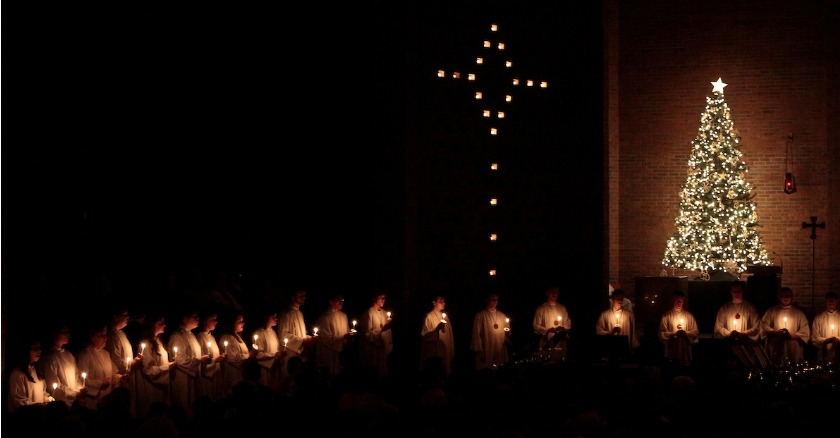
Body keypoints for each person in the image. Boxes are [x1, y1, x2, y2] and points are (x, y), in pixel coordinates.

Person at [167, 308, 210, 415]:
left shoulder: (190, 335)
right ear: (185, 319)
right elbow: (179, 358)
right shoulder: (178, 336)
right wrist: (199, 360)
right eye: (194, 317)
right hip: (183, 377)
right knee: (184, 404)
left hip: (193, 375)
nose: (198, 319)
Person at [714, 281, 763, 368]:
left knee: (744, 365)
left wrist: (743, 333)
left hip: (745, 343)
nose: (737, 293)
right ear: (731, 292)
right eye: (734, 291)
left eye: (739, 291)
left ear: (742, 291)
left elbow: (757, 325)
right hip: (729, 343)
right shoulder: (725, 308)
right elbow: (719, 326)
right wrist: (729, 333)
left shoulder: (750, 308)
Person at [135, 312, 174, 419]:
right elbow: (148, 370)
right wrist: (167, 367)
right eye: (160, 323)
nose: (164, 325)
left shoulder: (159, 342)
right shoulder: (147, 345)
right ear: (152, 325)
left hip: (161, 386)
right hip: (151, 388)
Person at [76, 323, 123, 411]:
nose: (106, 338)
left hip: (107, 400)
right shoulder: (85, 355)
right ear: (91, 336)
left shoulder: (106, 353)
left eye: (105, 334)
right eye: (101, 335)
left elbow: (112, 375)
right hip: (92, 402)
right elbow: (81, 380)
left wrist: (120, 378)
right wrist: (100, 384)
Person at [760, 287, 810, 367]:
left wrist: (791, 336)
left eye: (788, 296)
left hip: (792, 345)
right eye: (784, 295)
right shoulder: (772, 311)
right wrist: (775, 332)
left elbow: (805, 330)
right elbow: (763, 325)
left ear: (792, 297)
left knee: (792, 366)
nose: (786, 298)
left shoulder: (798, 313)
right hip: (776, 344)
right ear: (779, 296)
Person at [314, 294, 357, 379]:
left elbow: (347, 332)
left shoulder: (344, 316)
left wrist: (349, 337)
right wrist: (343, 338)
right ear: (331, 302)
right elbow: (325, 338)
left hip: (341, 354)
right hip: (329, 354)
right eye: (338, 300)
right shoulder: (325, 318)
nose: (341, 302)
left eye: (342, 300)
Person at [40, 322, 81, 409]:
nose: (68, 334)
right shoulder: (49, 358)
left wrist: (80, 388)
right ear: (55, 335)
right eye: (64, 332)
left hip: (74, 402)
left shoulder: (69, 355)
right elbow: (53, 385)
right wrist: (74, 394)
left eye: (68, 331)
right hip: (60, 404)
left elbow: (76, 377)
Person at [277, 289, 317, 377]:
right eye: (300, 295)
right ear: (293, 297)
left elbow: (300, 333)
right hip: (290, 352)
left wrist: (309, 338)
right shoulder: (286, 314)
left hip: (301, 352)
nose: (303, 297)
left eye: (304, 295)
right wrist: (302, 341)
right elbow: (283, 335)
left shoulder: (300, 314)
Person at [7, 334, 52, 413]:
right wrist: (39, 406)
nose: (39, 351)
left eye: (40, 348)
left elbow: (42, 394)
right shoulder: (17, 374)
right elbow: (19, 403)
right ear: (26, 350)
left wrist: (48, 399)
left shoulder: (37, 372)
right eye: (35, 348)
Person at [218, 310, 257, 394]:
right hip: (233, 374)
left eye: (243, 321)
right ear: (232, 323)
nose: (243, 323)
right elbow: (233, 358)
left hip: (241, 374)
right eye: (239, 321)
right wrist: (249, 356)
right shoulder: (227, 338)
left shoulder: (238, 337)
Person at [471, 293, 512, 370]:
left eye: (497, 300)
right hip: (487, 348)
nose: (495, 302)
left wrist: (508, 333)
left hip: (499, 348)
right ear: (487, 300)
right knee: (487, 369)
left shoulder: (502, 315)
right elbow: (476, 334)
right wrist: (479, 350)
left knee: (500, 368)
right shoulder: (480, 316)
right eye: (493, 299)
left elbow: (507, 330)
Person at [358, 293, 394, 379]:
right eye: (381, 298)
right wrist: (381, 331)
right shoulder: (368, 313)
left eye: (384, 298)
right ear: (374, 299)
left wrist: (387, 342)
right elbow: (367, 334)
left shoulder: (384, 313)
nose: (383, 300)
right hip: (373, 350)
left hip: (382, 349)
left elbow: (388, 333)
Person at [658, 290, 699, 367]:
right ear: (673, 300)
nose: (679, 302)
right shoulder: (666, 316)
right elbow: (661, 333)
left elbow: (695, 332)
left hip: (685, 349)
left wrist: (685, 333)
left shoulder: (689, 316)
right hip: (672, 348)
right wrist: (673, 333)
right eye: (677, 300)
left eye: (681, 300)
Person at [595, 289, 639, 357]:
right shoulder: (605, 315)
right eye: (618, 299)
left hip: (625, 349)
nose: (620, 301)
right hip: (610, 348)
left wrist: (633, 348)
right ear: (613, 299)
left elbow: (633, 333)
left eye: (621, 299)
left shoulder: (629, 315)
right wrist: (610, 332)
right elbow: (599, 330)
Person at [195, 310, 227, 402]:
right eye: (212, 319)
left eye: (216, 319)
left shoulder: (212, 337)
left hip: (216, 374)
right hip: (207, 377)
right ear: (205, 321)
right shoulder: (200, 338)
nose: (216, 322)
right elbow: (202, 360)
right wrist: (215, 360)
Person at [532, 286, 572, 360]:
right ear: (547, 293)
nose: (555, 294)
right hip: (547, 341)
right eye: (552, 292)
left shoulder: (562, 308)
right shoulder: (541, 308)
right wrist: (547, 330)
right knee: (547, 361)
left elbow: (568, 324)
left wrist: (562, 328)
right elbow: (536, 325)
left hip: (560, 341)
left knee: (560, 361)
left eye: (556, 292)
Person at [420, 295, 455, 376]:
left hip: (446, 351)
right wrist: (436, 329)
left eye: (444, 301)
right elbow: (425, 335)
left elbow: (450, 336)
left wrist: (452, 352)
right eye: (440, 301)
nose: (443, 303)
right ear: (434, 303)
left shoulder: (446, 317)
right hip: (434, 352)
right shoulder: (429, 316)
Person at [252, 309, 286, 390]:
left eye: (276, 316)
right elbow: (258, 355)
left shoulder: (272, 332)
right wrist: (274, 355)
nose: (276, 318)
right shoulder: (259, 333)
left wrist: (281, 354)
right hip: (265, 369)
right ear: (266, 318)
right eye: (273, 317)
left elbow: (277, 349)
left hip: (275, 367)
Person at [810, 291, 839, 366]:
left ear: (837, 301)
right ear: (825, 301)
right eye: (829, 300)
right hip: (823, 353)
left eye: (833, 300)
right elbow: (814, 338)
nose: (831, 302)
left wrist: (837, 340)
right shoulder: (818, 318)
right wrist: (826, 340)